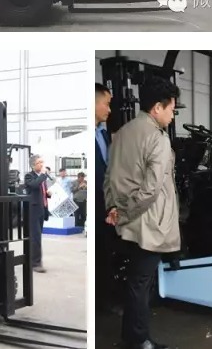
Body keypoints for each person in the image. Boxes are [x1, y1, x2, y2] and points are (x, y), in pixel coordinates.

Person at [105, 77, 181, 349]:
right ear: (157, 107)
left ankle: (131, 336)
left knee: (135, 280)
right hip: (150, 223)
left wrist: (113, 208)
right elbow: (151, 190)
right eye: (172, 109)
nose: (172, 115)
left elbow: (109, 177)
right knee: (140, 283)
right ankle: (138, 340)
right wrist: (124, 213)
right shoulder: (157, 138)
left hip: (128, 223)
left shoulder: (122, 133)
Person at [95, 83, 114, 313]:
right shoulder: (92, 135)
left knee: (104, 253)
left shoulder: (103, 134)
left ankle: (104, 301)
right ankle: (101, 303)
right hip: (98, 204)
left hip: (106, 204)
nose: (109, 110)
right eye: (106, 104)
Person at [24, 155, 51, 273]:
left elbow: (40, 191)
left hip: (42, 209)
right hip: (33, 211)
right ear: (33, 165)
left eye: (42, 162)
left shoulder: (41, 178)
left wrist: (48, 194)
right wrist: (44, 175)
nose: (42, 164)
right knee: (36, 238)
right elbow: (34, 185)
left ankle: (34, 261)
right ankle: (35, 263)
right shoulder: (29, 176)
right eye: (39, 162)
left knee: (38, 237)